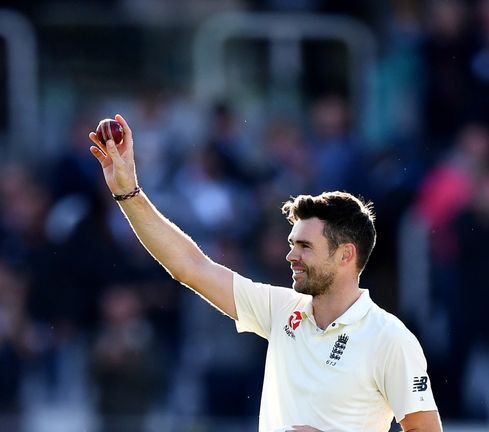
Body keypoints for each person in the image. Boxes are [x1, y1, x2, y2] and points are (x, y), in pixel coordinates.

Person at [88, 114, 442, 432]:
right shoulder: (281, 310)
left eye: (305, 246)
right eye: (292, 243)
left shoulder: (389, 338)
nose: (290, 255)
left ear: (345, 255)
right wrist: (127, 193)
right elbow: (190, 266)